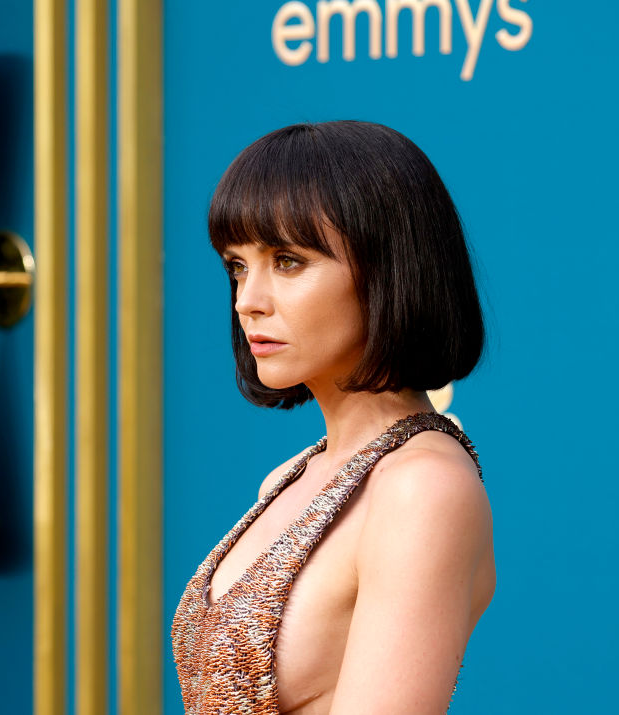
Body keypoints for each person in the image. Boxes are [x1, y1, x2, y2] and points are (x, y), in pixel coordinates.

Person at [171, 121, 495, 714]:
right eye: (238, 266)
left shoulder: (422, 489)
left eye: (287, 261)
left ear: (390, 268)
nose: (247, 300)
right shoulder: (288, 478)